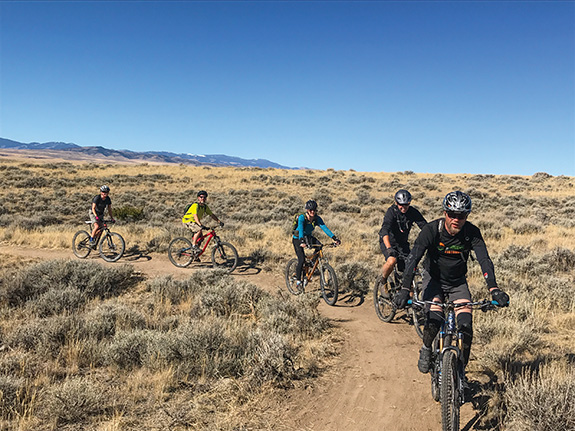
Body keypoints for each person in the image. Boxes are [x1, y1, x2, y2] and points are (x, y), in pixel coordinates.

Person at [394, 191, 509, 387]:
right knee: (434, 320)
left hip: (457, 283)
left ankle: (460, 372)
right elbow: (414, 258)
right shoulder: (432, 230)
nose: (456, 219)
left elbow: (484, 260)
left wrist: (494, 289)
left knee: (465, 327)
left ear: (467, 215)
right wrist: (405, 288)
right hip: (434, 280)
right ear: (445, 213)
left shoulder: (471, 232)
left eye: (461, 215)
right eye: (452, 214)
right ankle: (426, 347)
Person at [378, 189, 427, 285]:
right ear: (396, 203)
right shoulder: (391, 212)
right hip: (388, 241)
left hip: (402, 243)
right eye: (401, 204)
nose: (404, 207)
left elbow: (425, 227)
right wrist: (389, 248)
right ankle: (383, 282)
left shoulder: (412, 212)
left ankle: (410, 298)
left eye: (406, 204)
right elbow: (385, 230)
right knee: (392, 261)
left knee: (410, 269)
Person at [292, 200, 341, 289]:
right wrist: (302, 241)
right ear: (307, 210)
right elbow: (301, 230)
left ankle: (312, 262)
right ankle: (298, 282)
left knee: (320, 246)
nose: (313, 212)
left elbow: (325, 228)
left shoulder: (317, 219)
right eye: (310, 210)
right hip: (298, 238)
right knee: (301, 259)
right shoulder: (302, 218)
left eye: (314, 210)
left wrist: (334, 238)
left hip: (308, 237)